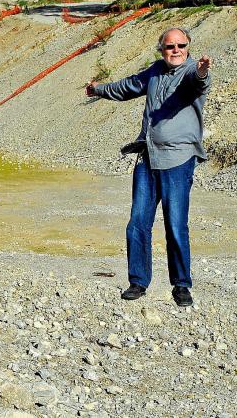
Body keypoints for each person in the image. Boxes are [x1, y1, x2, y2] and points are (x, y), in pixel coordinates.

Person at [85, 27, 211, 307]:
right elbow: (128, 86)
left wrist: (202, 71)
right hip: (148, 156)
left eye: (181, 45)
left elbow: (199, 82)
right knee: (137, 223)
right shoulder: (155, 71)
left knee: (175, 224)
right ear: (161, 50)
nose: (175, 50)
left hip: (178, 159)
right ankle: (138, 281)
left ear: (188, 47)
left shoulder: (192, 72)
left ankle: (181, 285)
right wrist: (98, 89)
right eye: (170, 46)